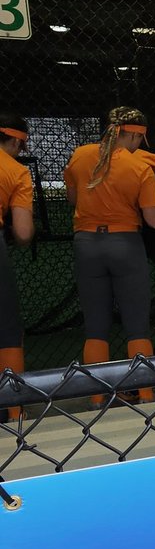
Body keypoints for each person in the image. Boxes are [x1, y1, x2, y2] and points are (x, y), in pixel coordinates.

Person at [64, 106, 155, 406]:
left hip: (86, 243)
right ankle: (146, 394)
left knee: (95, 325)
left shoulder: (80, 156)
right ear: (134, 135)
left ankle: (97, 397)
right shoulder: (138, 166)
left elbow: (73, 197)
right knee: (137, 323)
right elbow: (154, 220)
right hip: (125, 243)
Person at [0, 113, 35, 422]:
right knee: (8, 329)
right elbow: (23, 232)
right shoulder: (15, 171)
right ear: (14, 140)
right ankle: (13, 410)